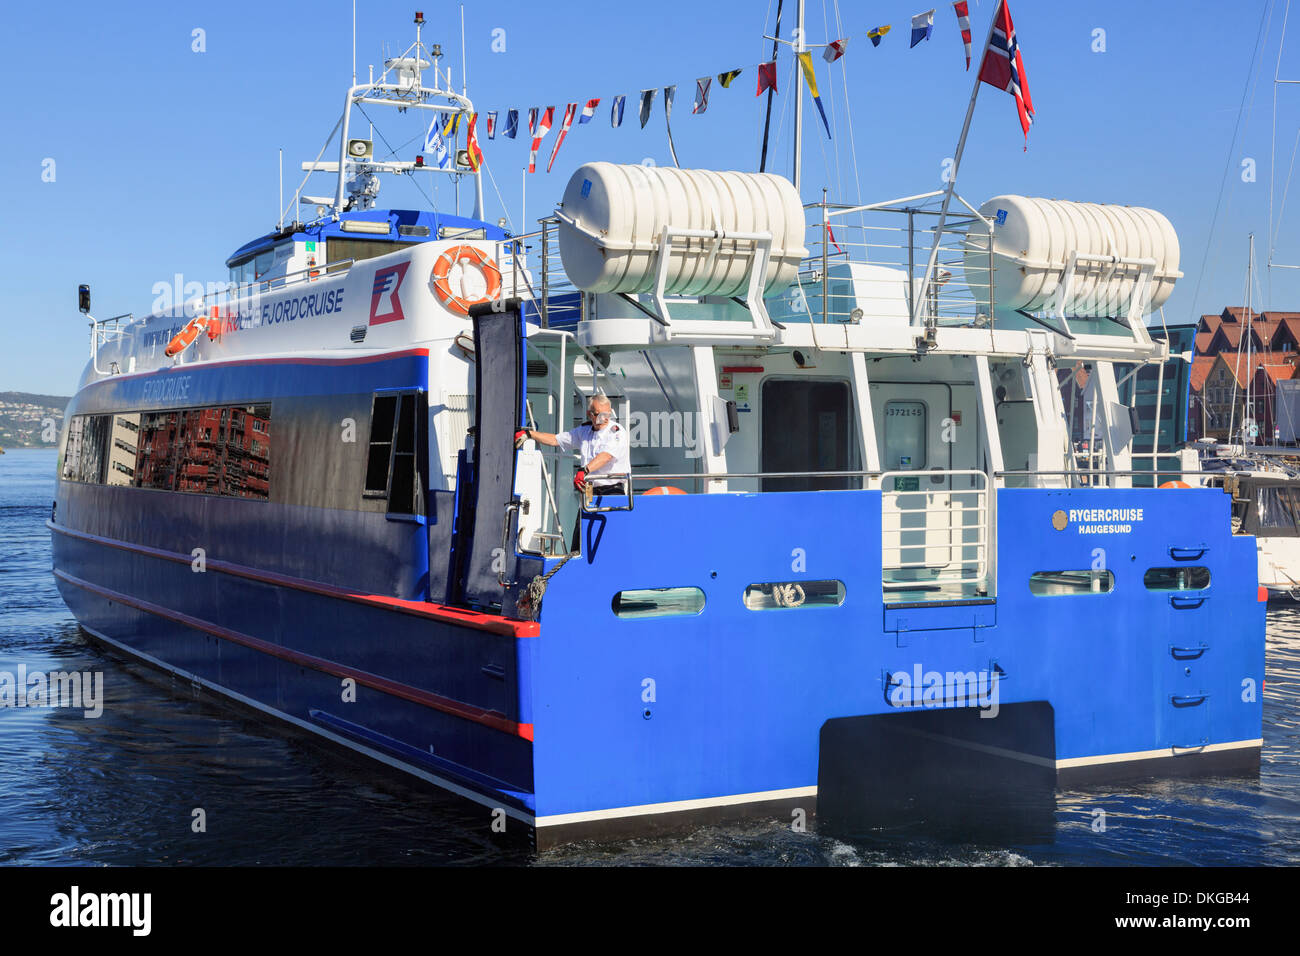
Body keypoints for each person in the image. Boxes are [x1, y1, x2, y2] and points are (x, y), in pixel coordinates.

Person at [517, 393, 630, 495]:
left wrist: (584, 471)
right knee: (584, 512)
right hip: (589, 489)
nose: (604, 419)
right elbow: (556, 440)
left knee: (611, 512)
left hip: (612, 490)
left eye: (607, 415)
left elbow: (606, 456)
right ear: (589, 414)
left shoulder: (616, 431)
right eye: (598, 415)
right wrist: (529, 434)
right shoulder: (584, 431)